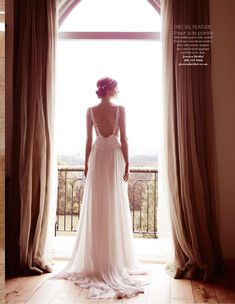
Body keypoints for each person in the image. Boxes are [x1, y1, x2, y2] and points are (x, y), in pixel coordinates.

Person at [52, 77, 149, 299]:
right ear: (110, 88)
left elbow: (88, 141)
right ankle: (113, 259)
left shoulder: (90, 111)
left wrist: (86, 164)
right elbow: (123, 138)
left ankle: (98, 258)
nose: (118, 89)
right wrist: (128, 163)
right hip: (114, 156)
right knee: (113, 203)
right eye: (116, 86)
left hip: (97, 157)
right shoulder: (120, 110)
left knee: (98, 204)